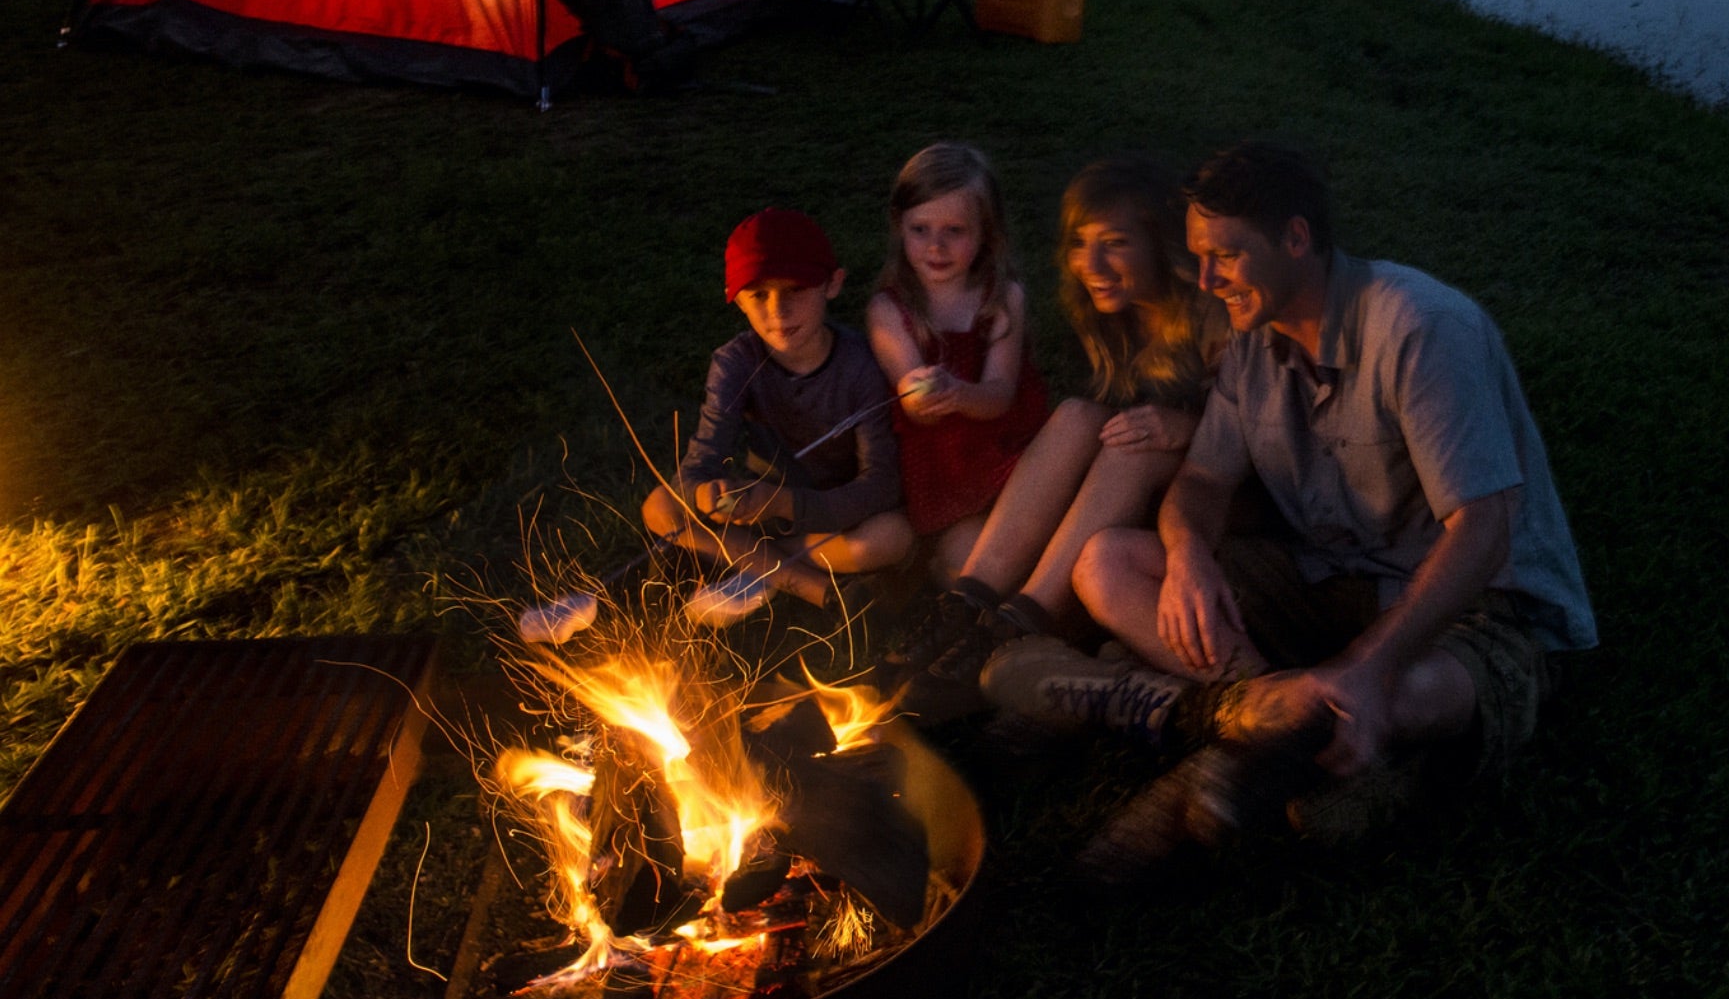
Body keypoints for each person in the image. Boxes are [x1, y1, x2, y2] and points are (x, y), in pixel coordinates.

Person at [1037, 142, 1598, 876]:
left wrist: (1370, 664)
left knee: (1406, 693)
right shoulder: (1251, 340)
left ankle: (1242, 741)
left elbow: (1484, 531)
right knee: (1109, 564)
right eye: (1200, 257)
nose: (1205, 280)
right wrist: (1189, 557)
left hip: (1478, 607)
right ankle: (1295, 721)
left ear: (1296, 239)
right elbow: (1203, 481)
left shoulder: (1420, 330)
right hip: (1327, 575)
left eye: (1226, 257)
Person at [882, 156, 1227, 707]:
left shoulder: (1213, 319)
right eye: (1079, 243)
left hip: (1216, 500)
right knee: (1077, 416)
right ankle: (965, 607)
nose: (1091, 264)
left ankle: (1023, 622)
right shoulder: (1116, 315)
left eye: (1114, 242)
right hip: (1144, 483)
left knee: (1129, 449)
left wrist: (1186, 426)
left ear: (1159, 242)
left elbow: (1266, 436)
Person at [515, 207, 911, 642]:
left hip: (832, 515)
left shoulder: (859, 367)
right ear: (735, 296)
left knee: (891, 537)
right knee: (660, 507)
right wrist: (707, 493)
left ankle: (756, 567)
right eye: (759, 294)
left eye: (795, 289)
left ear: (833, 283)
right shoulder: (736, 363)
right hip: (755, 508)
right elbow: (698, 466)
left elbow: (880, 487)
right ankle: (823, 593)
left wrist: (783, 505)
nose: (778, 309)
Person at [865, 142, 1051, 579]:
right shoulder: (890, 310)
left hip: (1008, 449)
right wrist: (923, 395)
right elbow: (912, 398)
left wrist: (958, 392)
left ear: (987, 231)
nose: (936, 246)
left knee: (1035, 536)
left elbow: (1000, 395)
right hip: (945, 466)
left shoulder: (1003, 298)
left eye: (955, 230)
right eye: (921, 229)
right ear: (899, 226)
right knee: (970, 558)